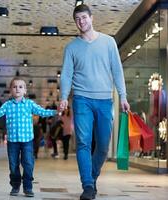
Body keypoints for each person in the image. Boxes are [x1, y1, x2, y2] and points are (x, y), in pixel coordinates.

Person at [58, 4, 130, 200]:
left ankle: (92, 177)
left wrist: (123, 95)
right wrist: (64, 97)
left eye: (84, 17)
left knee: (104, 146)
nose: (81, 22)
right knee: (83, 142)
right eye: (77, 19)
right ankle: (88, 185)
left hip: (105, 100)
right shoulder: (72, 47)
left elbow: (117, 70)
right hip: (81, 99)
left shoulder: (108, 42)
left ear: (92, 18)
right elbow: (66, 74)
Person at [0, 77, 57, 197]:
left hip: (27, 141)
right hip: (12, 141)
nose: (17, 89)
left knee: (28, 163)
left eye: (20, 87)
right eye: (14, 87)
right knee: (13, 165)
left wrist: (55, 112)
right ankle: (15, 185)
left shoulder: (30, 104)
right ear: (11, 90)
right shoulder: (7, 105)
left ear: (25, 91)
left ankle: (28, 187)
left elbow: (42, 112)